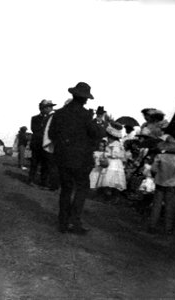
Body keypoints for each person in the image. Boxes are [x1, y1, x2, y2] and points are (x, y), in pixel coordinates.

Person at [48, 82, 103, 234]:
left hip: (63, 158)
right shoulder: (86, 115)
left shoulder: (59, 113)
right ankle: (74, 221)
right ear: (85, 99)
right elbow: (96, 134)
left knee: (66, 189)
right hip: (81, 159)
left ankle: (63, 222)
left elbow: (52, 135)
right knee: (82, 188)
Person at [148, 137, 175, 234]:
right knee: (169, 206)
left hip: (160, 182)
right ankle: (168, 228)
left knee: (156, 205)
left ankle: (152, 226)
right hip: (172, 184)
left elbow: (153, 169)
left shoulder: (160, 156)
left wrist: (157, 175)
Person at [28, 100, 56, 188]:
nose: (51, 109)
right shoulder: (35, 118)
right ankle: (30, 180)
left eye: (50, 107)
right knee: (34, 163)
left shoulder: (52, 118)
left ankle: (43, 182)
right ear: (42, 108)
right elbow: (35, 130)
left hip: (45, 146)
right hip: (37, 144)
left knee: (45, 165)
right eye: (48, 107)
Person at [96, 122, 127, 196]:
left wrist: (106, 154)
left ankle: (109, 194)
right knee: (107, 179)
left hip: (113, 163)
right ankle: (106, 193)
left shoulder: (116, 144)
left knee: (110, 179)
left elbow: (115, 154)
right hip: (110, 161)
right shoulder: (111, 142)